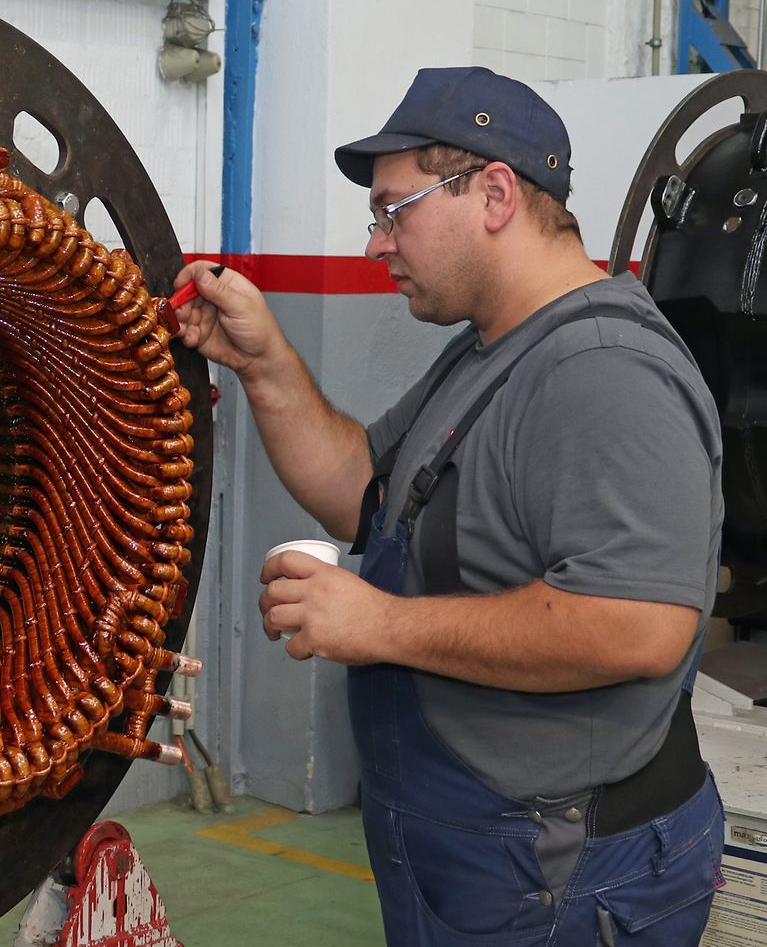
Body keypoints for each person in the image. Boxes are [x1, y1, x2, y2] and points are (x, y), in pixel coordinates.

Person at [171, 67, 725, 945]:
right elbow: (365, 489)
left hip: (560, 873)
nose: (374, 244)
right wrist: (266, 363)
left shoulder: (603, 372)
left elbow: (638, 624)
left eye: (394, 210)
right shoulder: (491, 351)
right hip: (480, 853)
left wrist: (380, 626)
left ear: (495, 194)